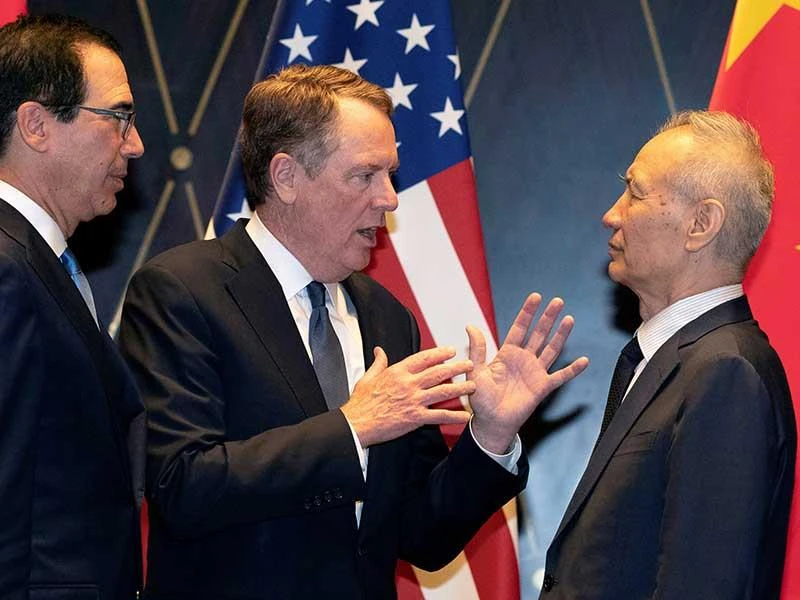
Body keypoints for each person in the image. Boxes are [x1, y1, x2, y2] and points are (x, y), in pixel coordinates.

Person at [119, 64, 588, 599]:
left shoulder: (387, 317)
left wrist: (491, 437)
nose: (390, 198)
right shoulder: (182, 291)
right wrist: (352, 428)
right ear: (286, 177)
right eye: (365, 175)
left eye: (390, 175)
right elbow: (182, 486)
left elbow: (422, 535)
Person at [540, 110, 796, 599]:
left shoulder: (726, 373)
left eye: (634, 193)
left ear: (701, 224)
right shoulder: (678, 360)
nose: (611, 214)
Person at [0, 13, 146, 600]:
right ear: (37, 125)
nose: (135, 144)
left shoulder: (36, 261)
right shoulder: (6, 271)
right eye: (118, 118)